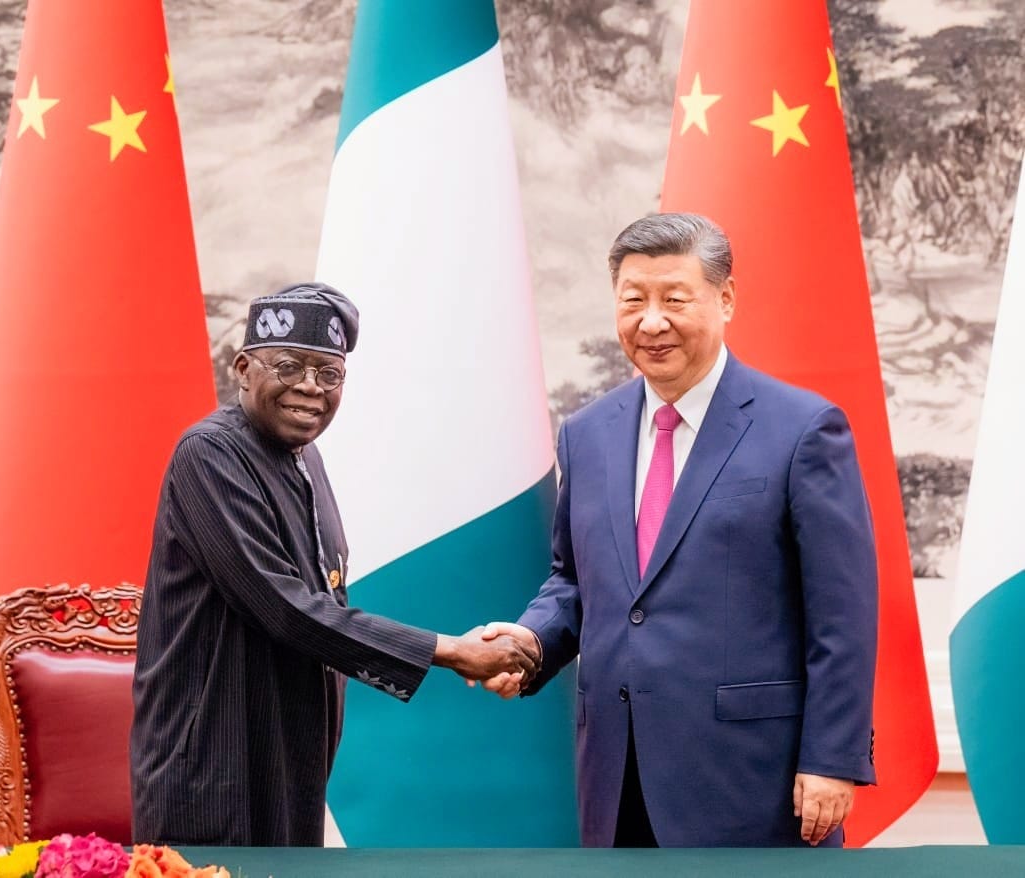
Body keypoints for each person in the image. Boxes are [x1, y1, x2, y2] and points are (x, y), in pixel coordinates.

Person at [481, 213, 877, 847]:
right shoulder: (586, 434)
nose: (651, 322)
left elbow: (843, 614)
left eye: (674, 299)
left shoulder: (804, 429)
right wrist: (530, 640)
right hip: (616, 775)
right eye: (633, 300)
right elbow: (575, 581)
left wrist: (833, 757)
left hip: (754, 779)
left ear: (726, 299)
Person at [130, 283, 539, 847]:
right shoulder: (210, 453)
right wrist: (450, 650)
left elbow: (327, 596)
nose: (310, 387)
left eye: (330, 374)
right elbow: (287, 609)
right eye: (289, 366)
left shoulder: (305, 456)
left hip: (293, 751)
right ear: (243, 368)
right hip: (213, 758)